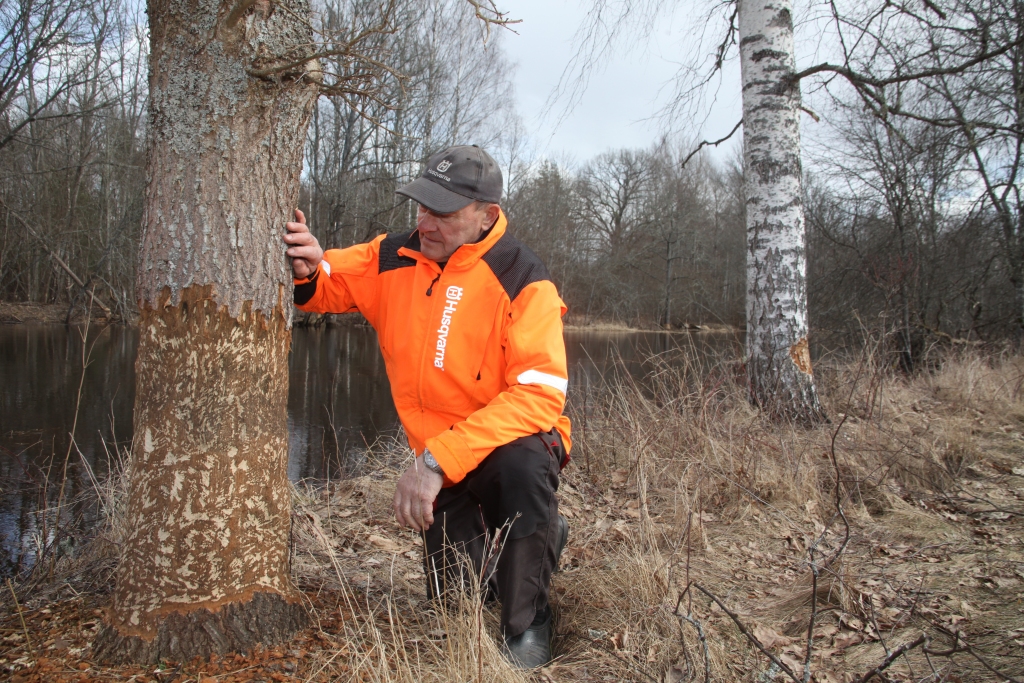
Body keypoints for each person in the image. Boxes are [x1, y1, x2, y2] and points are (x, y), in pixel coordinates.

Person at [282, 145, 572, 668]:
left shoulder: (524, 280)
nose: (426, 224)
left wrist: (435, 463)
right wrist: (308, 265)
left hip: (505, 445)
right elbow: (328, 281)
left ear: (487, 215)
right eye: (421, 206)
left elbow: (540, 396)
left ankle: (529, 623)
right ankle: (540, 536)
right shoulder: (394, 255)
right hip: (441, 457)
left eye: (444, 212)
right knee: (454, 600)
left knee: (523, 466)